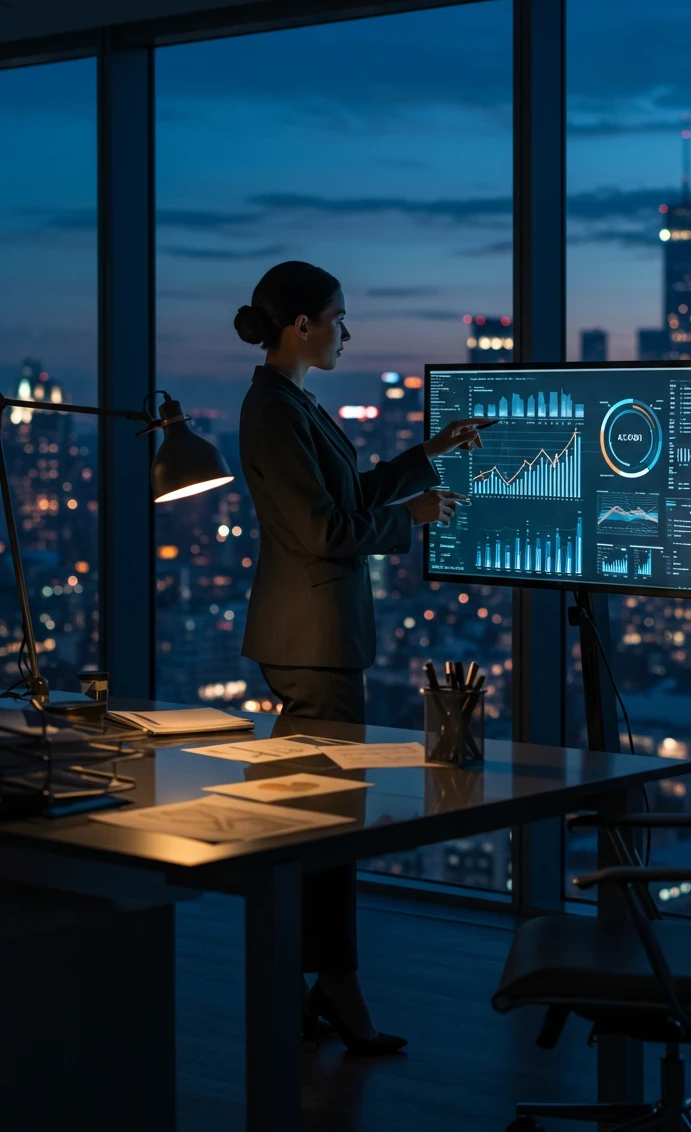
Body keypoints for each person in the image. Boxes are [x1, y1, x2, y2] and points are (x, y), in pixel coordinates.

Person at [234, 260, 492, 1055]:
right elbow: (325, 532)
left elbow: (346, 501)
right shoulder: (274, 411)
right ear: (303, 324)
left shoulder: (291, 403)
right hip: (311, 643)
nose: (347, 332)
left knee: (320, 820)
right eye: (340, 318)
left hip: (319, 638)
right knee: (327, 823)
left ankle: (320, 986)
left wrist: (429, 453)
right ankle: (336, 989)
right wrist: (411, 517)